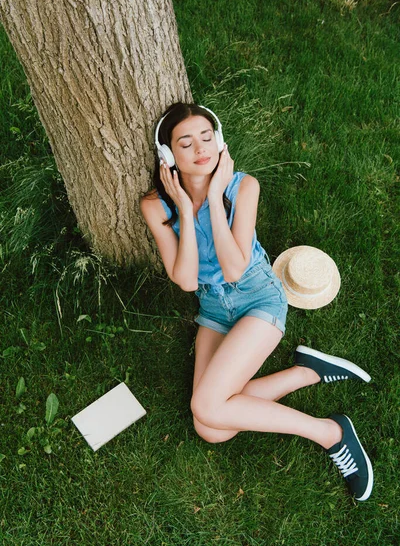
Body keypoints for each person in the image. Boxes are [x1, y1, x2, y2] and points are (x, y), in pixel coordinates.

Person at [140, 102, 373, 502]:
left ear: (221, 142)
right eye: (186, 143)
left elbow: (233, 268)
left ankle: (331, 433)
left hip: (257, 298)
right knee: (210, 427)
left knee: (208, 407)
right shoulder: (155, 205)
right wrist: (184, 206)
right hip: (213, 309)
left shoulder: (243, 187)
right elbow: (184, 279)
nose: (201, 149)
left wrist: (214, 198)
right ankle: (305, 373)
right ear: (168, 157)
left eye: (207, 137)